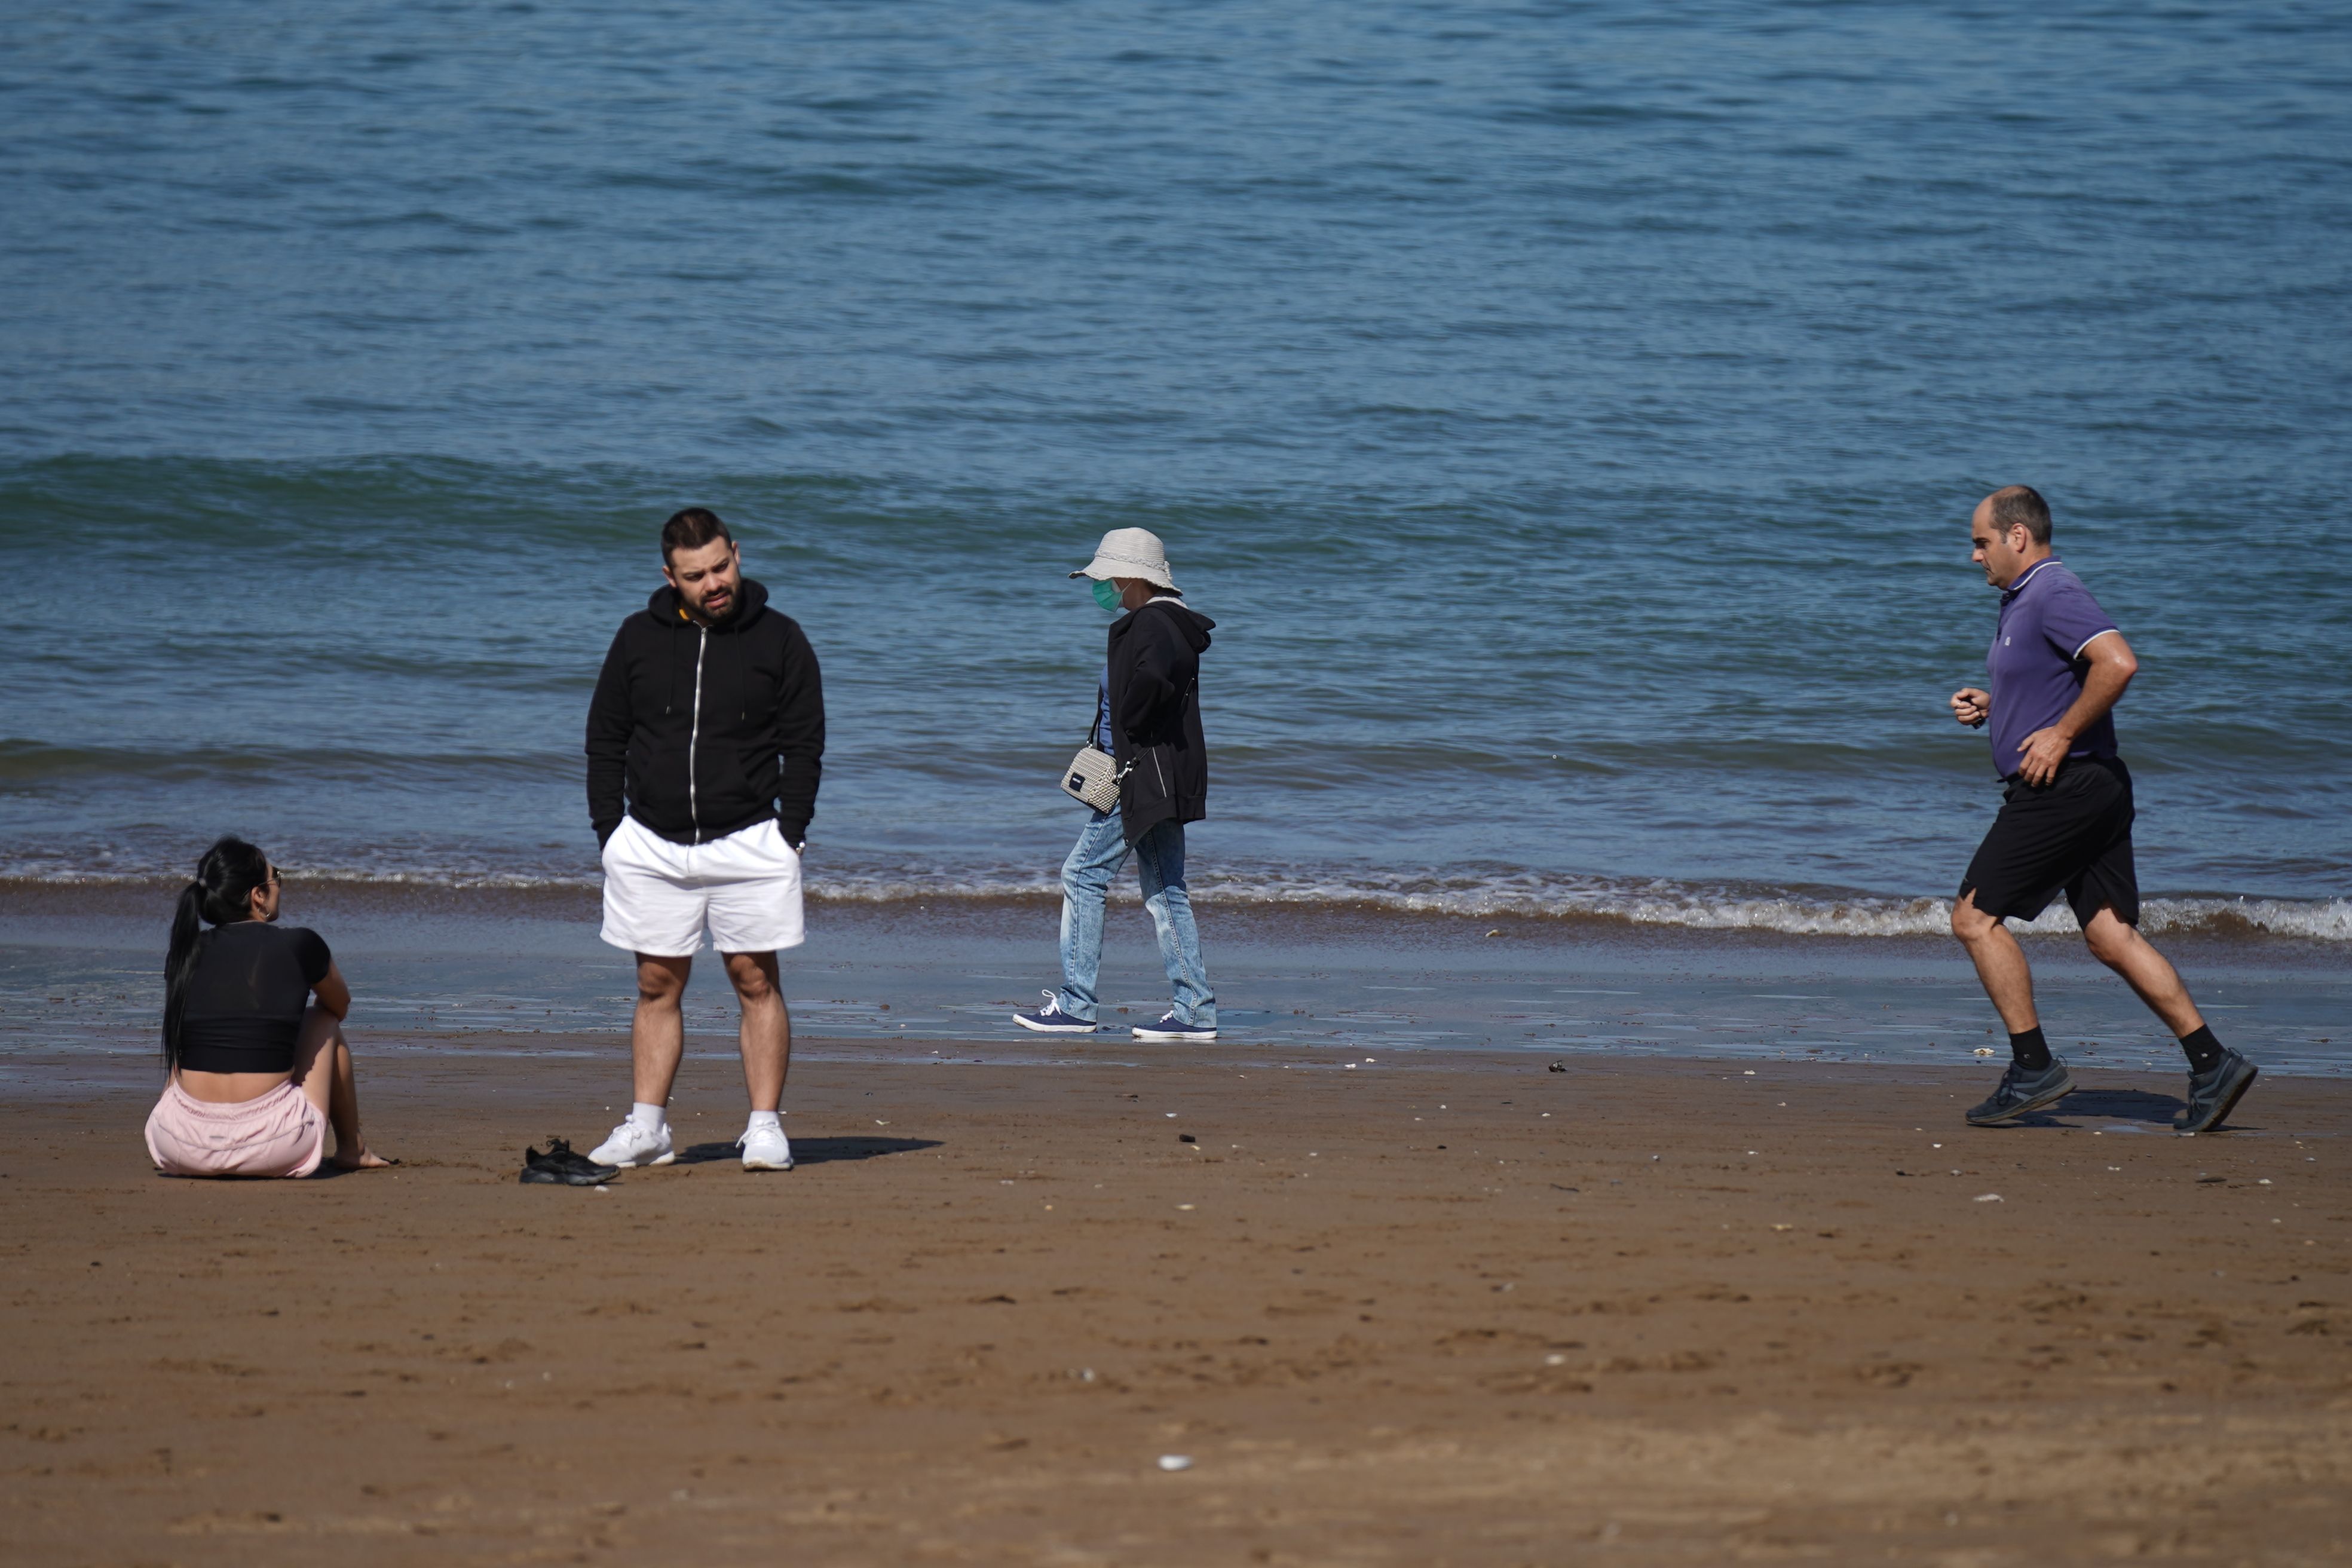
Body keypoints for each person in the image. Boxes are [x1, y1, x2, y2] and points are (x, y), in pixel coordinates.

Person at [1947, 485, 2256, 1133]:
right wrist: (1996, 707)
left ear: (2017, 537)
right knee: (2109, 935)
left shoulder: (2052, 591)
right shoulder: (2022, 600)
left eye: (1981, 542)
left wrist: (2060, 735)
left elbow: (2118, 663)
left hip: (2065, 788)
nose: (1975, 555)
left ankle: (2032, 1066)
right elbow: (2054, 685)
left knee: (1974, 919)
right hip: (2095, 787)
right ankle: (2212, 1064)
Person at [584, 507, 825, 1172]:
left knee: (755, 979)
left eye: (721, 567)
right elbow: (606, 737)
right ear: (671, 577)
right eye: (696, 576)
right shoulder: (637, 637)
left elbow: (805, 743)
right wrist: (610, 832)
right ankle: (648, 1128)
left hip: (751, 839)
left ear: (737, 554)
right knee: (656, 982)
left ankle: (765, 1128)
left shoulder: (781, 638)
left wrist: (791, 833)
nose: (714, 583)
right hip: (650, 842)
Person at [1014, 527, 1218, 1042]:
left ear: (1131, 577)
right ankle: (1195, 1009)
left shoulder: (1151, 623)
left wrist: (1128, 723)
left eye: (1106, 578)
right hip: (1164, 776)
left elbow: (1151, 683)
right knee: (1165, 889)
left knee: (1083, 875)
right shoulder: (1175, 622)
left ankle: (1076, 1005)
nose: (1101, 588)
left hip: (1141, 777)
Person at [146, 837, 393, 1178]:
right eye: (277, 877)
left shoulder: (184, 952)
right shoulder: (299, 943)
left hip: (177, 1143)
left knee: (190, 1028)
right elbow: (340, 1005)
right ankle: (353, 1148)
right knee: (322, 1019)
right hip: (273, 1143)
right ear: (258, 895)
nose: (280, 885)